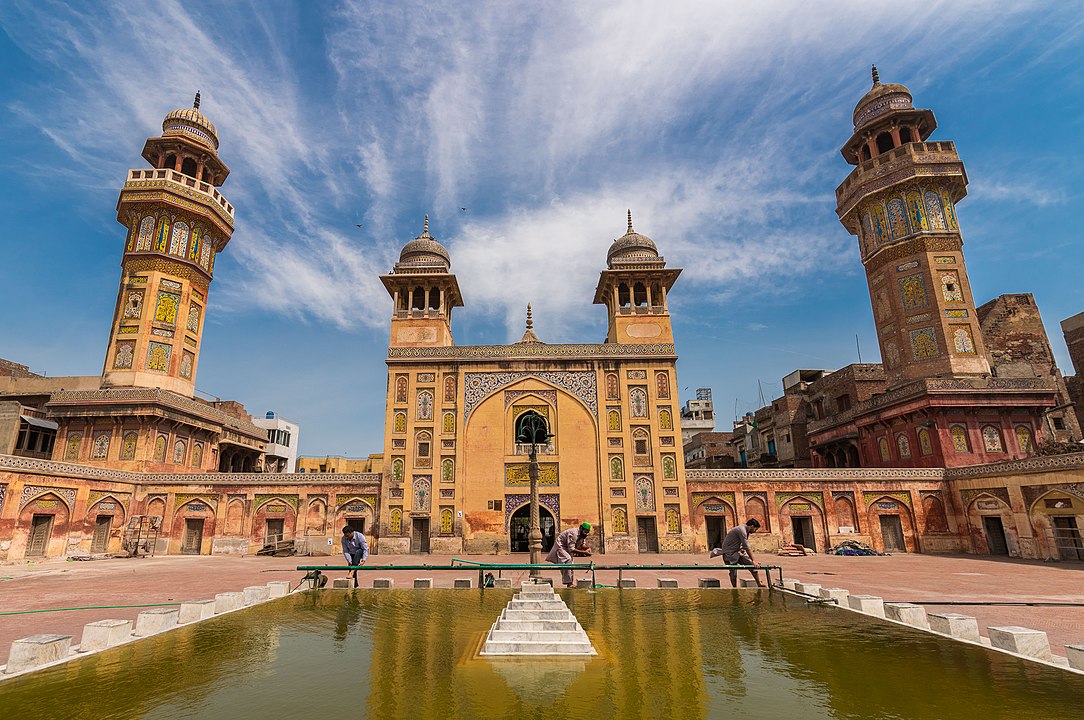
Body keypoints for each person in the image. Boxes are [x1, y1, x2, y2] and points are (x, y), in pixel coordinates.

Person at [716, 518, 765, 588]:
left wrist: (742, 551)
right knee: (733, 573)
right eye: (755, 529)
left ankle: (758, 584)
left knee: (752, 567)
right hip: (729, 554)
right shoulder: (742, 530)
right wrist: (754, 560)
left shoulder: (746, 531)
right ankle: (734, 588)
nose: (755, 531)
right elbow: (747, 547)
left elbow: (742, 545)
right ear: (751, 526)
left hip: (737, 552)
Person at [545, 521, 592, 587]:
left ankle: (570, 583)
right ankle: (569, 583)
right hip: (561, 546)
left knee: (571, 565)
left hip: (568, 547)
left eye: (587, 532)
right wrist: (584, 552)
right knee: (567, 560)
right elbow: (572, 549)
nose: (586, 534)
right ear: (581, 528)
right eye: (585, 532)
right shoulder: (574, 534)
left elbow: (581, 545)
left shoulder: (582, 535)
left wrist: (587, 548)